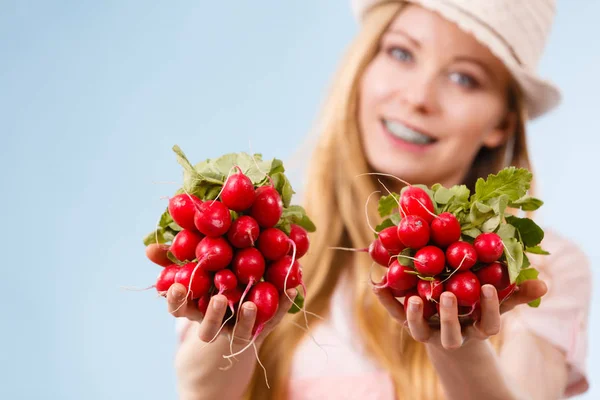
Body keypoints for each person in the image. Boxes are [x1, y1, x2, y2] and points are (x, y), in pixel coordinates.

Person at [146, 0, 592, 398]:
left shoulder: (539, 268)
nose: (418, 98)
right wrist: (232, 336)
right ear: (362, 66)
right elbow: (202, 391)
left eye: (464, 78)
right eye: (401, 53)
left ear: (501, 122)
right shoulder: (269, 243)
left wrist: (459, 350)